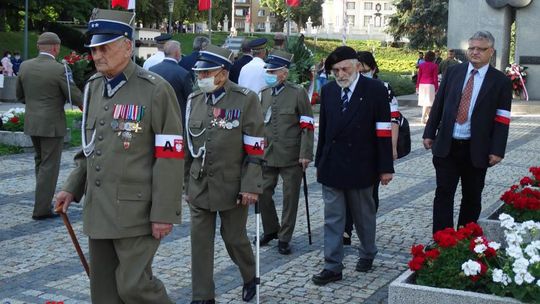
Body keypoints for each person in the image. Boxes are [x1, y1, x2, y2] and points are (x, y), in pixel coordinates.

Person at [54, 8, 184, 303]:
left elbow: (170, 156)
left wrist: (164, 213)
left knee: (134, 286)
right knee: (103, 292)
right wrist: (71, 188)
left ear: (127, 46)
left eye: (104, 48)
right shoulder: (94, 88)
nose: (97, 55)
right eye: (94, 49)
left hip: (136, 212)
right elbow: (90, 147)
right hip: (99, 210)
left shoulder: (155, 91)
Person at [185, 44, 264, 303]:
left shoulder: (245, 99)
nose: (202, 78)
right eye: (200, 74)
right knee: (200, 243)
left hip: (232, 186)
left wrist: (251, 185)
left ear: (223, 72)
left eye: (207, 73)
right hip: (199, 185)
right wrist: (185, 183)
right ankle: (203, 296)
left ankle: (250, 275)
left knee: (234, 238)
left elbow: (255, 147)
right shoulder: (193, 101)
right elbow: (188, 145)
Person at [312, 46, 394, 285]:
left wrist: (385, 167)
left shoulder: (376, 90)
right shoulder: (328, 91)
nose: (340, 74)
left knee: (363, 216)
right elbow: (325, 130)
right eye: (335, 70)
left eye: (344, 68)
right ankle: (332, 266)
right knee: (333, 218)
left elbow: (383, 130)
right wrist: (320, 161)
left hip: (362, 166)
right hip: (333, 165)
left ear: (357, 66)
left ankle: (368, 252)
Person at [423, 31, 512, 234]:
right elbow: (439, 104)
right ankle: (442, 240)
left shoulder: (500, 81)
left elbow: (502, 119)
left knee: (472, 197)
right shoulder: (453, 73)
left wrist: (497, 149)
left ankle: (465, 238)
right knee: (444, 193)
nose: (475, 52)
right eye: (471, 48)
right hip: (448, 145)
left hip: (476, 148)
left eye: (480, 49)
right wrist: (429, 132)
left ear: (491, 52)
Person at [15, 32, 83, 220]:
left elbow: (19, 95)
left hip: (32, 122)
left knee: (40, 162)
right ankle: (42, 209)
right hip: (52, 125)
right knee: (49, 166)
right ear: (55, 47)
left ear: (39, 46)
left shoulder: (25, 66)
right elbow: (74, 96)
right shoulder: (60, 68)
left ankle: (41, 197)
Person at [257, 50, 314, 255]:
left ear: (284, 73)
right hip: (268, 153)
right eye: (268, 70)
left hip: (292, 155)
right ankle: (271, 229)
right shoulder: (263, 93)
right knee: (262, 193)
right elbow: (258, 124)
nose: (269, 74)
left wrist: (306, 153)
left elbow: (307, 124)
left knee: (291, 198)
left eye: (273, 71)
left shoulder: (297, 92)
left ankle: (284, 237)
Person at [343, 50, 401, 245]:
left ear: (373, 69)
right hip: (349, 149)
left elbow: (393, 120)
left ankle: (365, 227)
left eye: (364, 69)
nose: (359, 72)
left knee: (369, 192)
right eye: (356, 68)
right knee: (346, 188)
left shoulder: (383, 88)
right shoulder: (345, 87)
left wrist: (391, 148)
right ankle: (346, 229)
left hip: (373, 149)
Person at [150, 40, 193, 118]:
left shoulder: (152, 70)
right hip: (176, 116)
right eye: (180, 51)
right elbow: (190, 98)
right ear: (177, 53)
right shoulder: (183, 73)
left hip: (155, 114)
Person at [416, 51, 439, 124]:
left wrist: (417, 86)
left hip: (422, 84)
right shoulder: (434, 66)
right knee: (428, 103)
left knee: (426, 103)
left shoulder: (421, 65)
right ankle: (423, 118)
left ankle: (428, 117)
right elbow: (435, 78)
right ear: (433, 57)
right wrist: (436, 88)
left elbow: (419, 76)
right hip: (430, 85)